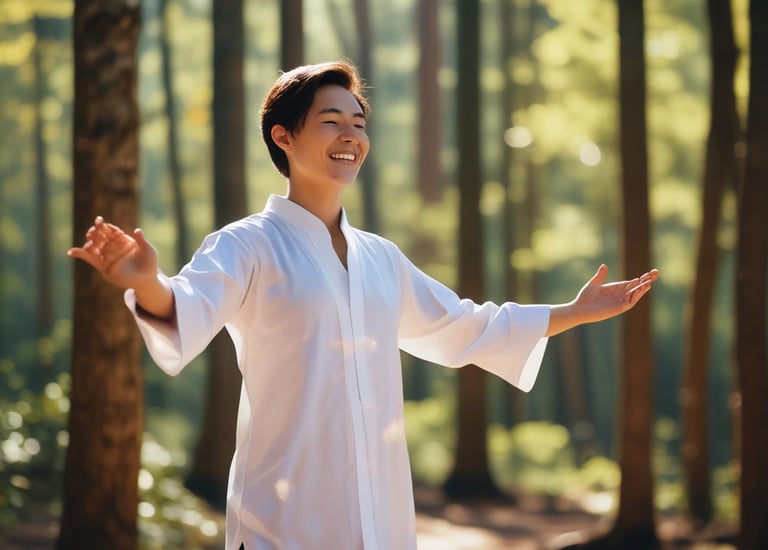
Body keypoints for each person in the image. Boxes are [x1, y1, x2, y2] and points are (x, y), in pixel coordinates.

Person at [68, 60, 659, 550]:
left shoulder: (380, 258)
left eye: (358, 123)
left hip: (381, 521)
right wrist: (146, 282)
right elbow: (188, 304)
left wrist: (574, 312)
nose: (351, 136)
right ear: (283, 136)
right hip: (282, 519)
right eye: (331, 122)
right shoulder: (246, 244)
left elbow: (462, 325)